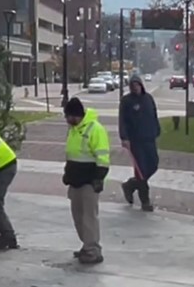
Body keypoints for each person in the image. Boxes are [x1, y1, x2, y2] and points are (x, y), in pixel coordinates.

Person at [62, 97, 110, 265]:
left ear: (76, 115)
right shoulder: (73, 130)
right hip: (75, 180)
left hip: (90, 180)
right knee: (78, 216)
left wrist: (99, 177)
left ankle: (93, 250)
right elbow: (71, 154)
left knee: (89, 217)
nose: (67, 119)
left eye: (68, 116)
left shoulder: (95, 129)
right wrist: (67, 174)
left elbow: (102, 157)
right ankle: (87, 245)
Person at [119, 74, 161, 212]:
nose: (135, 88)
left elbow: (154, 114)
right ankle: (145, 201)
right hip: (135, 141)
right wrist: (124, 138)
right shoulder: (126, 101)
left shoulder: (148, 98)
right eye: (133, 86)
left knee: (153, 165)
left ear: (141, 85)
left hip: (149, 138)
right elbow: (122, 121)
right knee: (141, 171)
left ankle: (131, 185)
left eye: (137, 85)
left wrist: (157, 129)